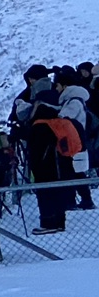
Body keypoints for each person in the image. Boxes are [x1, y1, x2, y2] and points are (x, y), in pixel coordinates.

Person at [55, 69, 96, 210]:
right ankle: (83, 200)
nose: (56, 88)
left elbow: (63, 118)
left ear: (64, 86)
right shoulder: (78, 101)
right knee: (76, 171)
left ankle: (75, 200)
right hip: (77, 141)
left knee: (72, 172)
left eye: (58, 85)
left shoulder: (73, 103)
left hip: (71, 143)